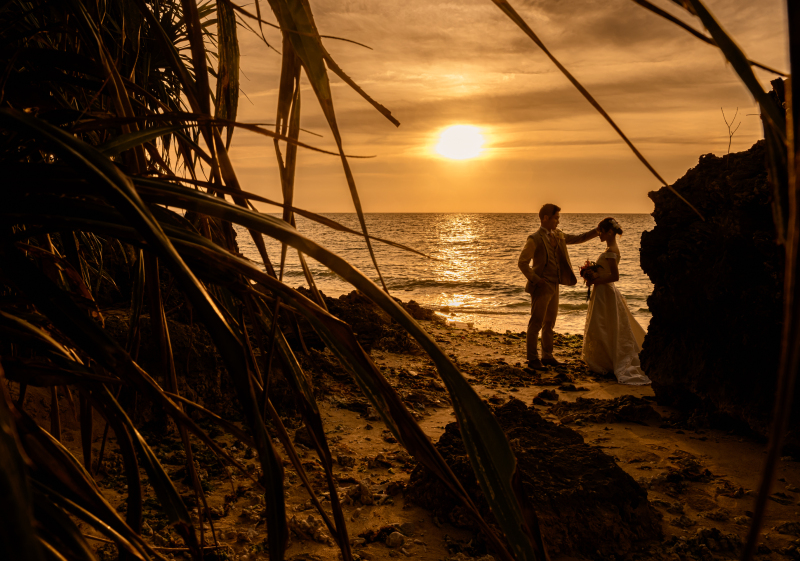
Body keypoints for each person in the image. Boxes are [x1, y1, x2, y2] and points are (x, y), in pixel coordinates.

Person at [518, 204, 601, 369]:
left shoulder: (559, 235)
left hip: (555, 285)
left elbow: (579, 238)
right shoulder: (534, 238)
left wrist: (597, 230)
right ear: (545, 218)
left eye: (558, 218)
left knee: (549, 322)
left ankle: (547, 356)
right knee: (536, 322)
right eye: (556, 218)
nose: (558, 221)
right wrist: (536, 279)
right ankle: (533, 359)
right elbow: (522, 262)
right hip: (541, 286)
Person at [581, 217, 651, 385]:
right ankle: (604, 359)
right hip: (603, 291)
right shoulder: (610, 248)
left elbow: (615, 276)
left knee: (604, 324)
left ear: (610, 232)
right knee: (604, 325)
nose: (599, 235)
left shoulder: (611, 251)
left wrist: (595, 279)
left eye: (601, 232)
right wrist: (593, 276)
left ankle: (608, 361)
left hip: (606, 291)